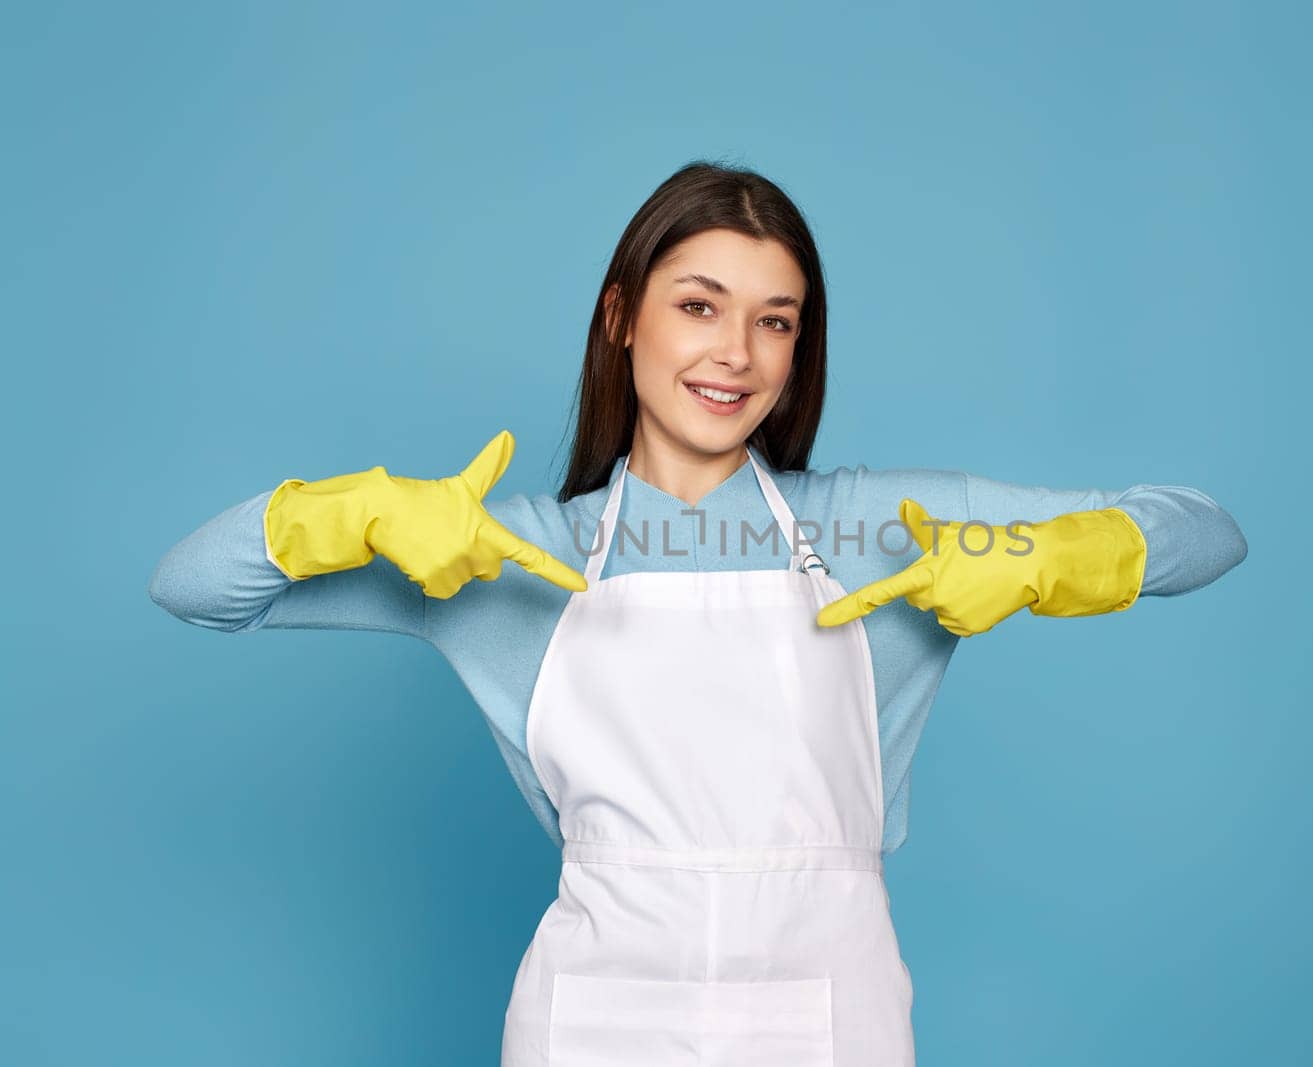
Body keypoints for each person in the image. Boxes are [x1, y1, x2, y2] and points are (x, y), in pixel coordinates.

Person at [148, 160, 1248, 1066]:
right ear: (621, 318)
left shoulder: (886, 528)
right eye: (698, 306)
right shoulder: (506, 552)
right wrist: (346, 513)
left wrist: (1055, 555)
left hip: (833, 1016)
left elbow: (1204, 530)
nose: (736, 352)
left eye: (775, 321)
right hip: (591, 1019)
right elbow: (191, 585)